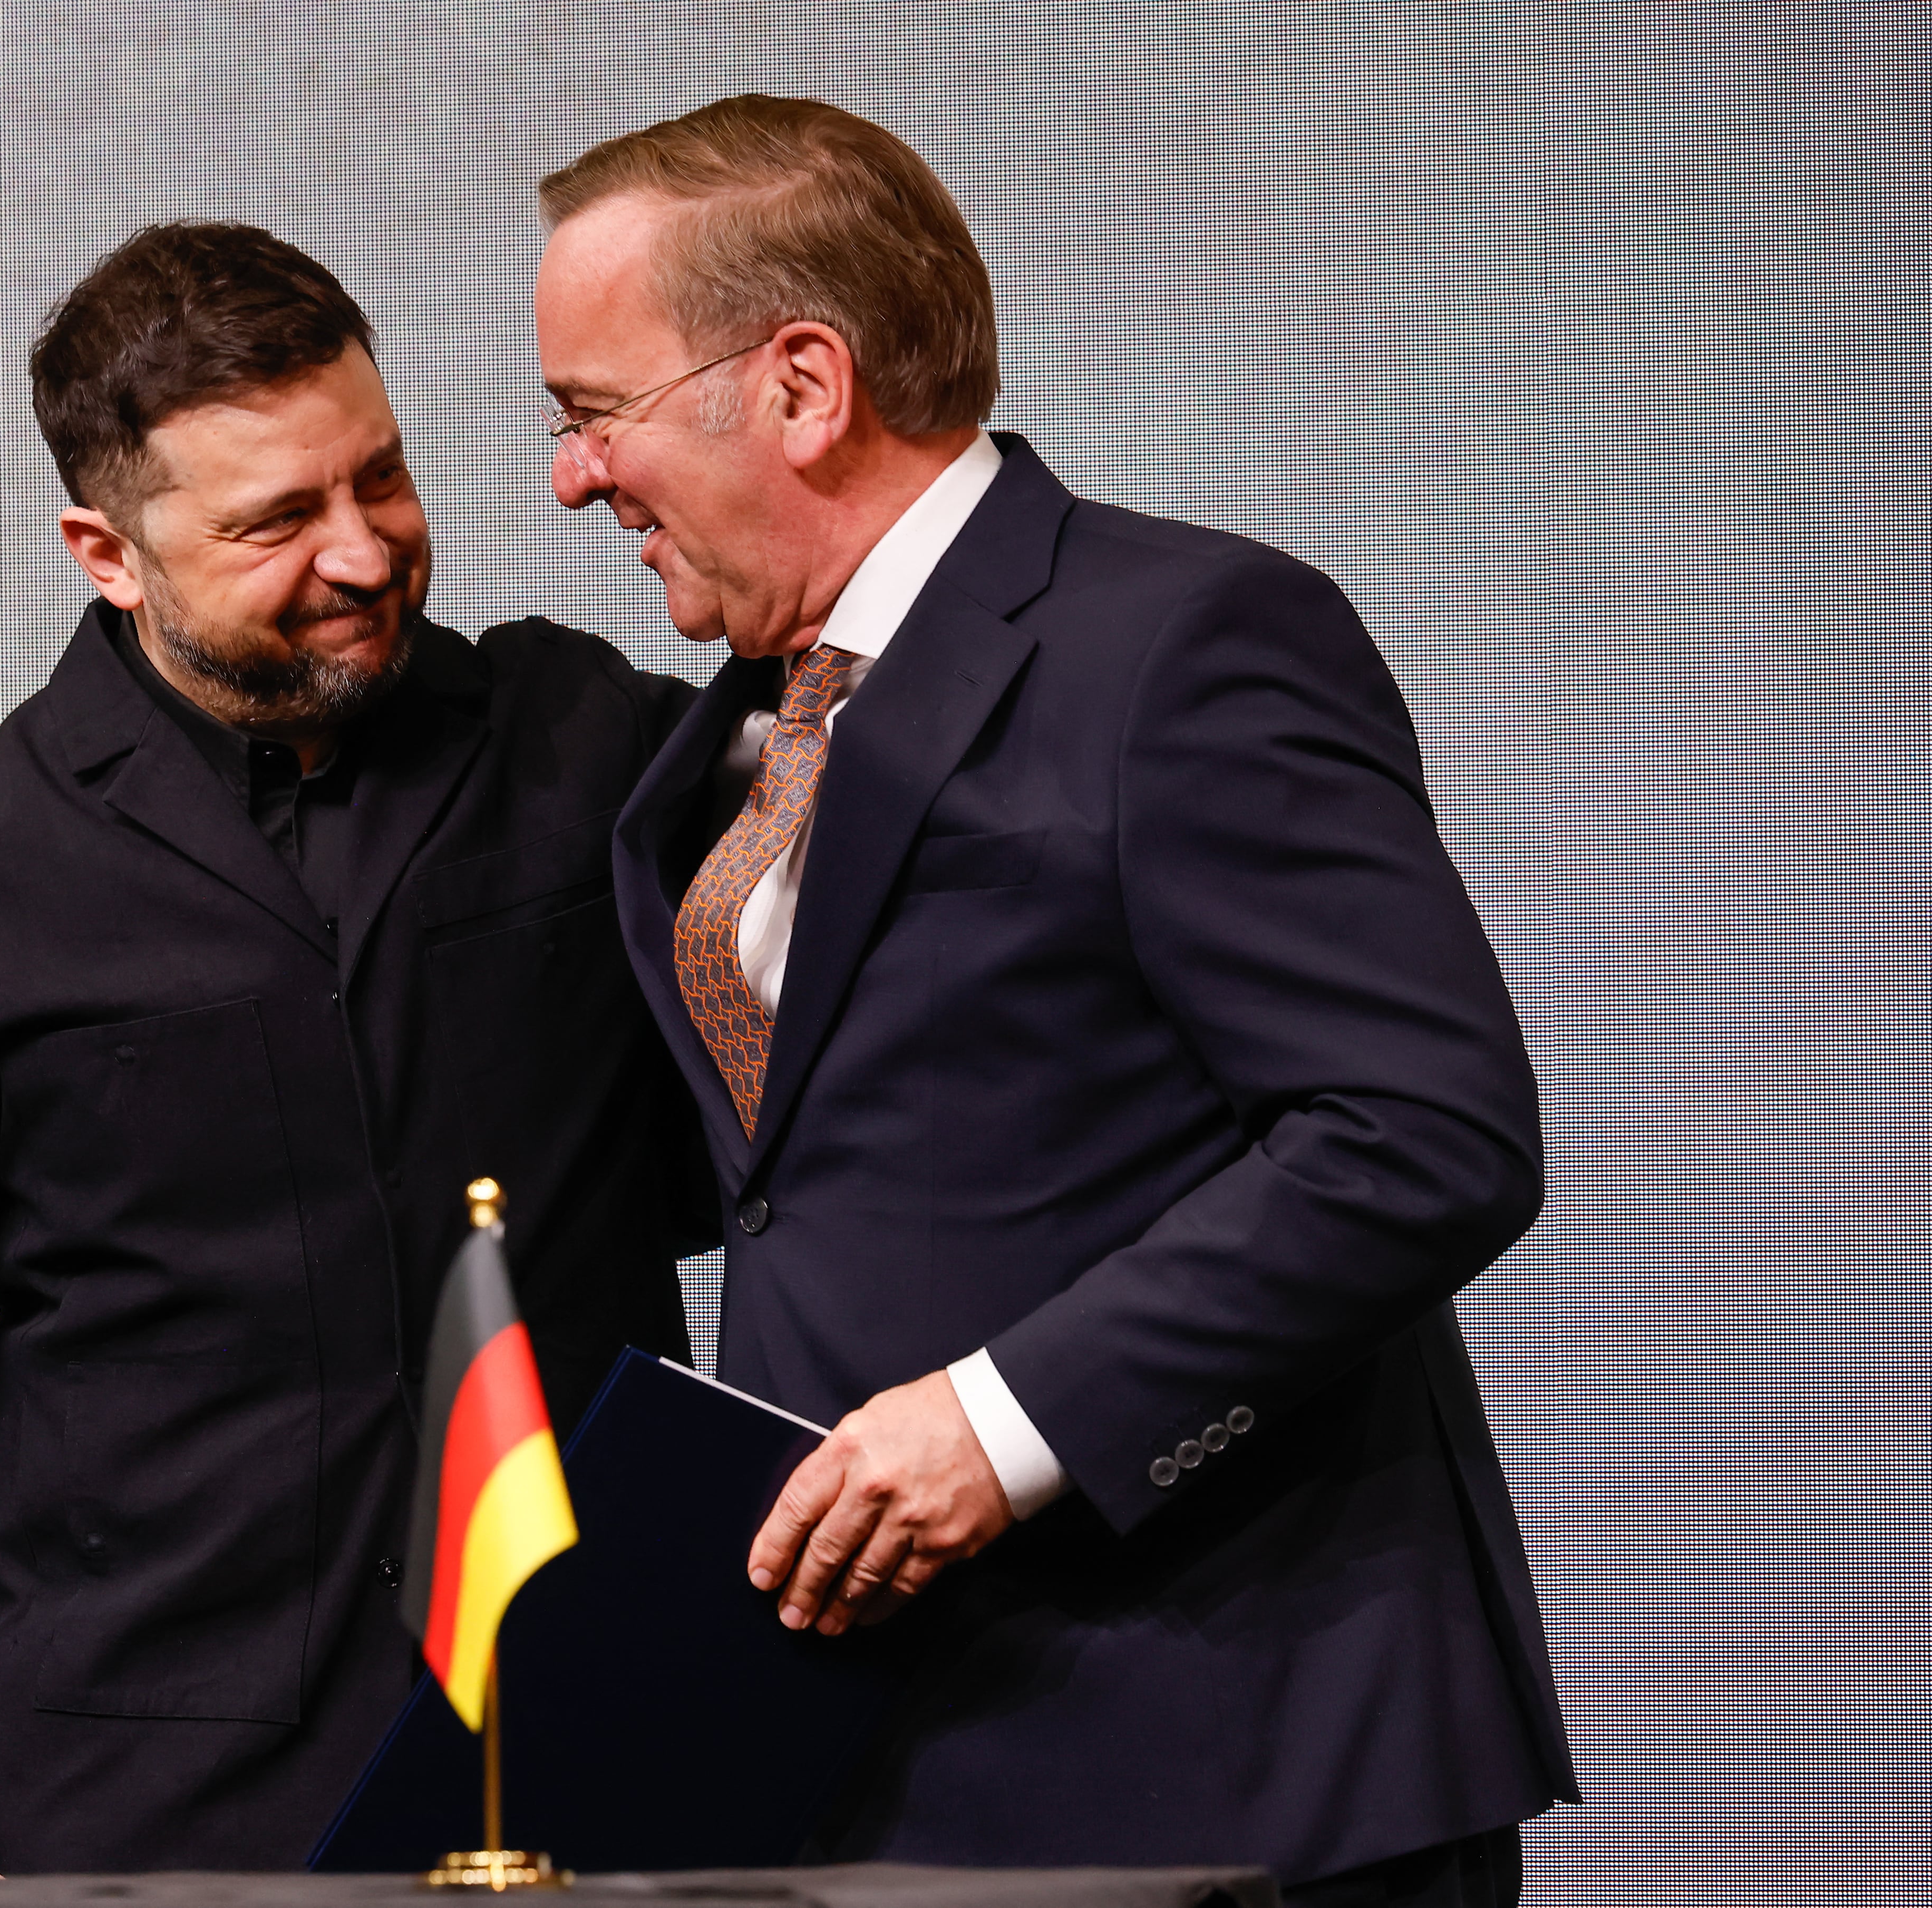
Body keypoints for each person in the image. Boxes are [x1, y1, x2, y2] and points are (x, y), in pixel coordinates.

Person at [534, 97, 1577, 1905]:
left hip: (1234, 1758)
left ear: (799, 383)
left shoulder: (1181, 643)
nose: (569, 477)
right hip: (877, 1761)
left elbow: (1425, 1135)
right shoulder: (733, 734)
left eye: (592, 413)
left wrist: (1004, 1422)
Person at [0, 220, 706, 1875]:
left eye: (381, 477)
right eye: (276, 520)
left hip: (586, 1750)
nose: (363, 551)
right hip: (139, 1812)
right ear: (107, 553)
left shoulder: (590, 744)